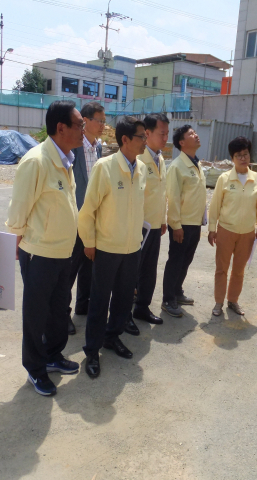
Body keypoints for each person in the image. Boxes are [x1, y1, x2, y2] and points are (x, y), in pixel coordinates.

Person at [6, 101, 83, 396]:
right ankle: (35, 369)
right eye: (79, 125)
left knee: (58, 310)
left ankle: (53, 355)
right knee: (37, 314)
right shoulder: (36, 161)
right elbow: (19, 207)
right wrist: (17, 239)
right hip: (39, 252)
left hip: (64, 250)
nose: (83, 130)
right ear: (60, 128)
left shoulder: (66, 158)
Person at [78, 116, 147, 378]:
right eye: (141, 136)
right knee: (99, 301)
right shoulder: (104, 168)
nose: (145, 141)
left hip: (131, 247)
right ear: (125, 140)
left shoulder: (140, 169)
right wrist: (90, 243)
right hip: (106, 248)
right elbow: (88, 210)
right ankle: (92, 350)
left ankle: (112, 336)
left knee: (123, 298)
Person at [208, 136, 257, 317]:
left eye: (246, 154)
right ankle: (218, 302)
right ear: (232, 158)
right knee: (222, 269)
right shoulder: (224, 179)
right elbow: (215, 204)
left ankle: (233, 300)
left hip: (247, 233)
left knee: (239, 270)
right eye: (238, 155)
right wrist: (212, 228)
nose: (243, 158)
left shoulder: (256, 178)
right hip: (226, 230)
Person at [125, 113, 170, 335]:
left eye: (167, 134)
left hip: (153, 226)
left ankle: (142, 307)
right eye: (162, 134)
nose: (165, 138)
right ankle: (124, 315)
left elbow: (161, 193)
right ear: (148, 133)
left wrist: (162, 221)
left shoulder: (159, 159)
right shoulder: (138, 159)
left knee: (149, 271)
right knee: (131, 273)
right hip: (138, 227)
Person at [161, 125, 206, 317]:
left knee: (186, 260)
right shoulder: (177, 167)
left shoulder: (196, 164)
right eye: (191, 134)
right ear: (181, 142)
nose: (196, 136)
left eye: (195, 133)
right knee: (176, 260)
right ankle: (168, 299)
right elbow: (172, 198)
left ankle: (177, 292)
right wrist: (176, 226)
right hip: (182, 225)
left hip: (195, 223)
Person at [67, 102, 105, 335]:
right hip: (75, 217)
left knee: (88, 267)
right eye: (98, 120)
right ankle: (62, 313)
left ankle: (83, 304)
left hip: (92, 217)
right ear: (86, 121)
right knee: (69, 270)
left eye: (103, 120)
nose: (102, 125)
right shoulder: (74, 147)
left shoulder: (98, 147)